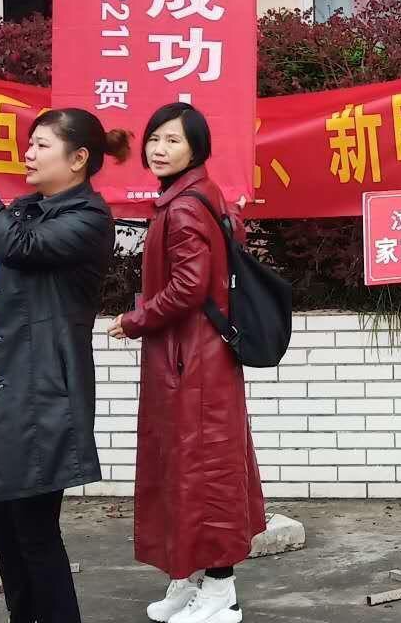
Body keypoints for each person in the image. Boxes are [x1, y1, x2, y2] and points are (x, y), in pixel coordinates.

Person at [0, 108, 125, 623]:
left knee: (36, 533)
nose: (29, 154)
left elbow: (18, 248)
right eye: (30, 144)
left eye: (42, 145)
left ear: (79, 158)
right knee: (3, 529)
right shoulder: (25, 209)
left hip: (42, 395)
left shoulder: (88, 219)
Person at [107, 103, 267, 623]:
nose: (159, 149)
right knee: (186, 467)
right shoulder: (197, 195)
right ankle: (189, 577)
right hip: (195, 358)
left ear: (197, 149)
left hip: (193, 363)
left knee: (205, 472)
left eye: (173, 140)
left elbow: (188, 288)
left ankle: (220, 591)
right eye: (155, 138)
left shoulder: (183, 208)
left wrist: (134, 319)